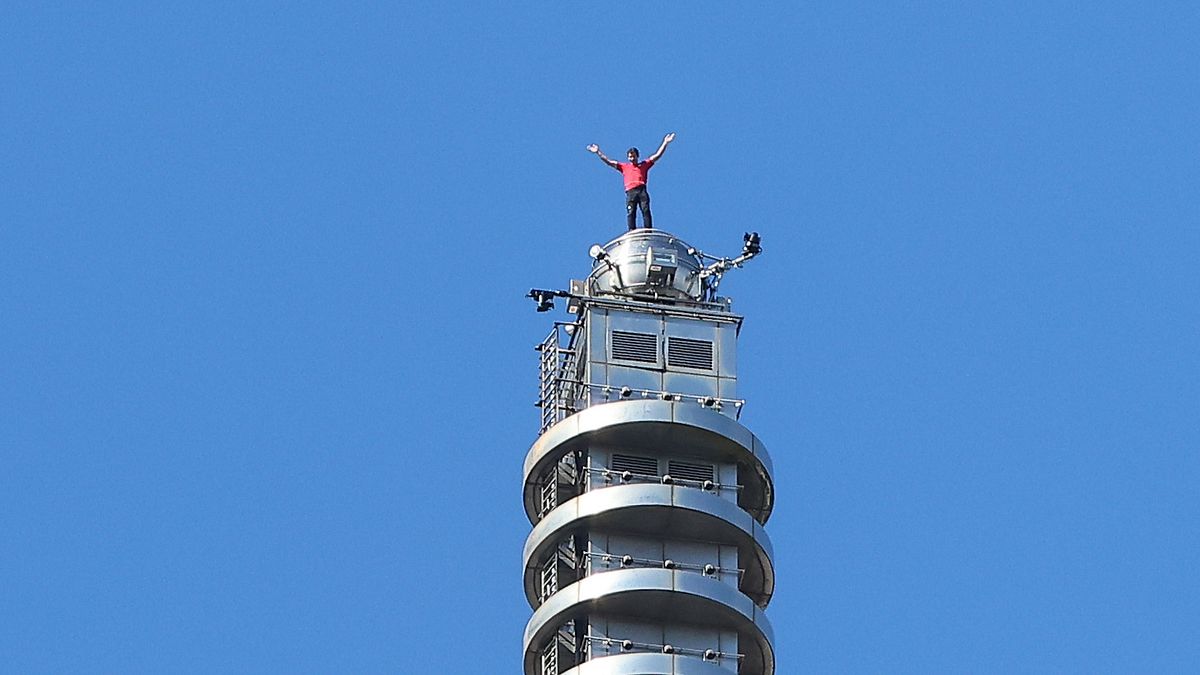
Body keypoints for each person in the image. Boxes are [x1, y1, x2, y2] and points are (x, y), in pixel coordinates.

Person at [587, 133, 676, 230]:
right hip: (630, 192)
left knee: (645, 210)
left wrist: (665, 143)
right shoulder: (624, 167)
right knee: (631, 212)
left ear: (637, 156)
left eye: (633, 156)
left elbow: (657, 155)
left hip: (641, 189)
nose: (632, 158)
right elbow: (609, 162)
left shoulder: (644, 165)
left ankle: (648, 230)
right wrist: (598, 152)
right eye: (630, 157)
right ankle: (631, 231)